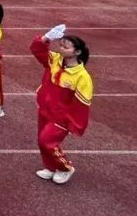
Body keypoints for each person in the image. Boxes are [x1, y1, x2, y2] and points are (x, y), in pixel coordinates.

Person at [29, 24, 93, 185]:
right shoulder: (55, 60)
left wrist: (74, 124)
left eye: (66, 46)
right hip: (45, 109)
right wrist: (46, 38)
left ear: (77, 52)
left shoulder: (82, 77)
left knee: (47, 141)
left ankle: (65, 168)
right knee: (41, 140)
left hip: (61, 116)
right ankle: (50, 167)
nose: (61, 48)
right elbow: (36, 49)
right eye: (61, 44)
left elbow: (82, 104)